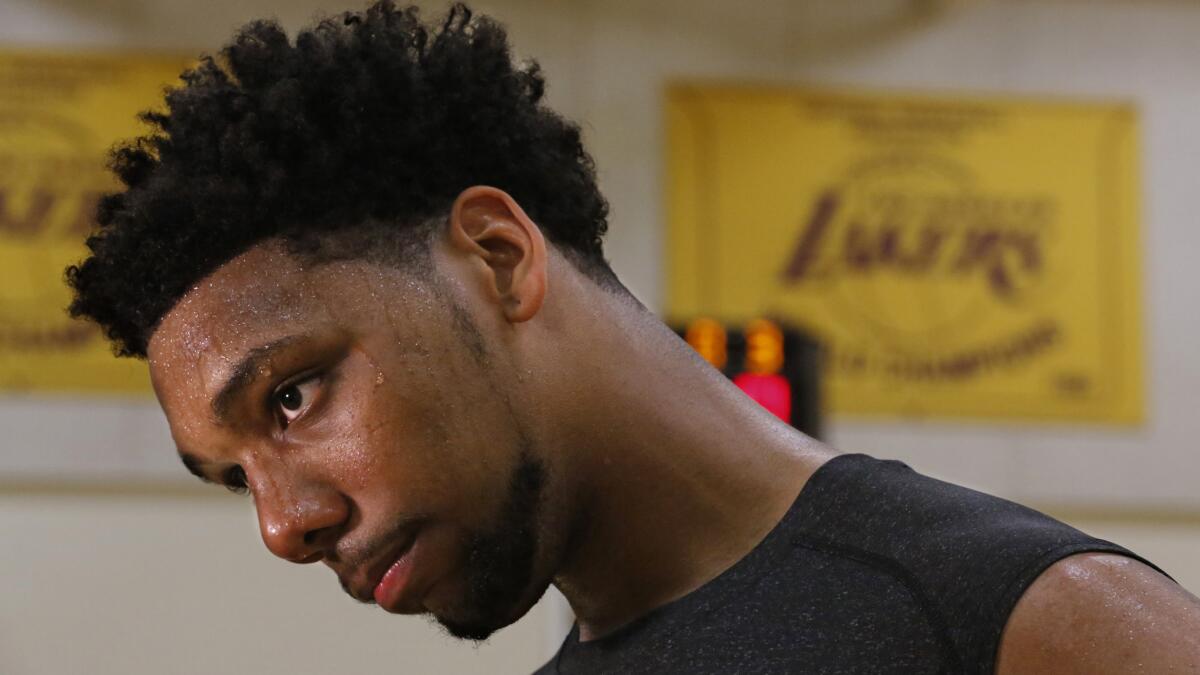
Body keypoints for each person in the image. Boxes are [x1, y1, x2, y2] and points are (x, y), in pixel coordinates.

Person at [65, 3, 1200, 673]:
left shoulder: (1028, 621)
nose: (281, 527)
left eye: (294, 398)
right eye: (233, 481)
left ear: (500, 258)